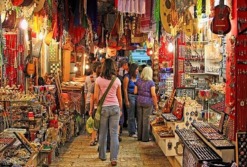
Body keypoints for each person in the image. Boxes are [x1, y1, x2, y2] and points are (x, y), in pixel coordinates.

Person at [94, 58, 122, 166]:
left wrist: (98, 106)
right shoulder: (117, 80)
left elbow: (96, 97)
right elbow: (119, 98)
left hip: (104, 109)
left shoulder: (98, 80)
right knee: (114, 134)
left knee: (103, 133)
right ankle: (114, 158)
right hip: (115, 108)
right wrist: (120, 109)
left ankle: (102, 155)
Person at [135, 67, 158, 142]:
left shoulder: (138, 81)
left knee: (140, 119)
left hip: (139, 101)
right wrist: (156, 105)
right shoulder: (151, 83)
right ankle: (145, 138)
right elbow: (153, 94)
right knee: (146, 120)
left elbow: (135, 92)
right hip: (148, 102)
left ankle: (139, 136)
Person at [123, 63, 139, 137]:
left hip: (137, 96)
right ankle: (131, 132)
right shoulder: (127, 77)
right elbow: (125, 89)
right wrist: (126, 100)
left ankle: (136, 129)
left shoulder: (137, 77)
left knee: (137, 114)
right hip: (130, 96)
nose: (137, 70)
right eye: (136, 69)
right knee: (131, 114)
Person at [88, 65, 102, 146]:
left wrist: (90, 109)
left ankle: (93, 139)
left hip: (96, 107)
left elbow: (92, 98)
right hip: (103, 107)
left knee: (95, 124)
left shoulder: (95, 84)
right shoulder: (107, 82)